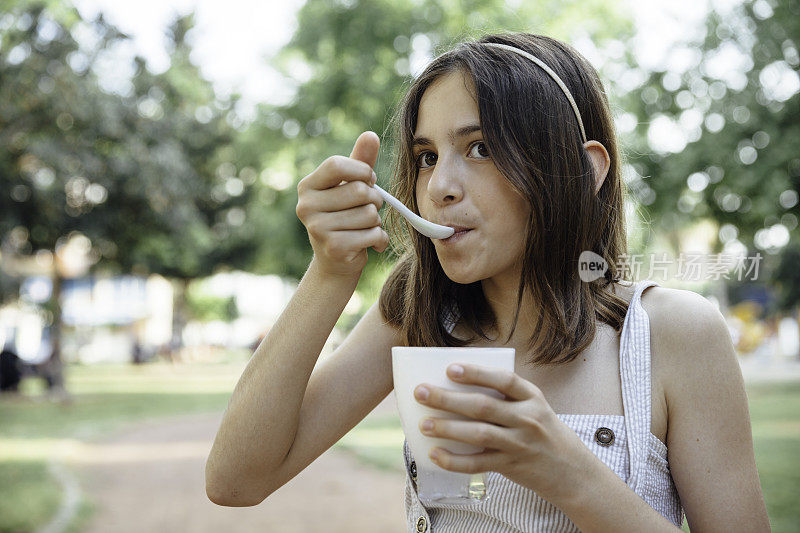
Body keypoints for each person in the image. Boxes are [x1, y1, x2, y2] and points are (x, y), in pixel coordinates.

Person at [205, 32, 770, 532]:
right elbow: (235, 482)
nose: (440, 186)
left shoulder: (673, 333)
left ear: (584, 172)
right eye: (427, 157)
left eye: (480, 148)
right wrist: (331, 271)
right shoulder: (417, 314)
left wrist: (570, 475)